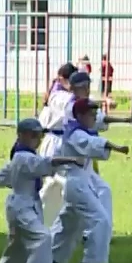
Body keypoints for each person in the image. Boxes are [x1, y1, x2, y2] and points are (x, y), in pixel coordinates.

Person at [0, 118, 82, 263]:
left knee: (17, 245)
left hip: (24, 203)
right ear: (21, 135)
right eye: (34, 135)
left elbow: (1, 178)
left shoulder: (20, 156)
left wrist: (18, 180)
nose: (38, 140)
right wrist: (70, 159)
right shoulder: (23, 157)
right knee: (42, 238)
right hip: (22, 205)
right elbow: (45, 164)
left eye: (40, 135)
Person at [50, 96, 128, 263]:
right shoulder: (76, 134)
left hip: (80, 183)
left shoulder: (81, 130)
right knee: (100, 219)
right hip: (76, 184)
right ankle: (91, 262)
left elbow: (94, 135)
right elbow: (93, 144)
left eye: (95, 113)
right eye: (91, 114)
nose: (94, 117)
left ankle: (54, 259)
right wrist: (116, 147)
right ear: (80, 115)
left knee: (70, 225)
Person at [36, 65, 82, 227]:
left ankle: (59, 222)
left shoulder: (60, 93)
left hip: (61, 140)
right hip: (54, 141)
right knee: (52, 184)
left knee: (61, 185)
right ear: (63, 79)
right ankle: (39, 220)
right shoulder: (58, 95)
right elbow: (75, 104)